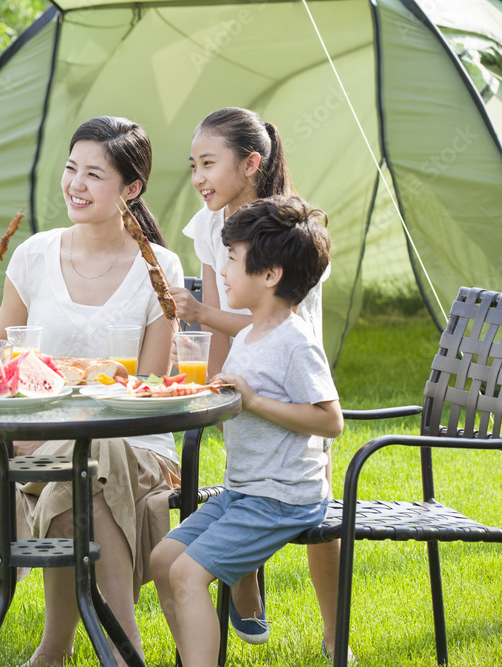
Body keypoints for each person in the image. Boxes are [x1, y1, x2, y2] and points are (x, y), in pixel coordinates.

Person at [0, 116, 184, 666]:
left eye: (94, 174)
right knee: (81, 469)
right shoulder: (33, 255)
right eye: (70, 169)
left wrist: (68, 425)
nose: (75, 185)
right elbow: (10, 364)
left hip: (136, 445)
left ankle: (62, 647)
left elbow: (148, 389)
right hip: (44, 439)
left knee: (92, 456)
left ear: (132, 188)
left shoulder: (160, 266)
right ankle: (115, 649)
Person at [169, 107, 349, 663]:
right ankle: (240, 586)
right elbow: (234, 315)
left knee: (308, 482)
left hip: (293, 372)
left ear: (250, 164)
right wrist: (210, 379)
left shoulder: (287, 235)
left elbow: (273, 322)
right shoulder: (209, 223)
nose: (198, 177)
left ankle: (333, 634)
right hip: (250, 360)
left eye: (208, 163)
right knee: (244, 465)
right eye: (192, 164)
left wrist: (204, 315)